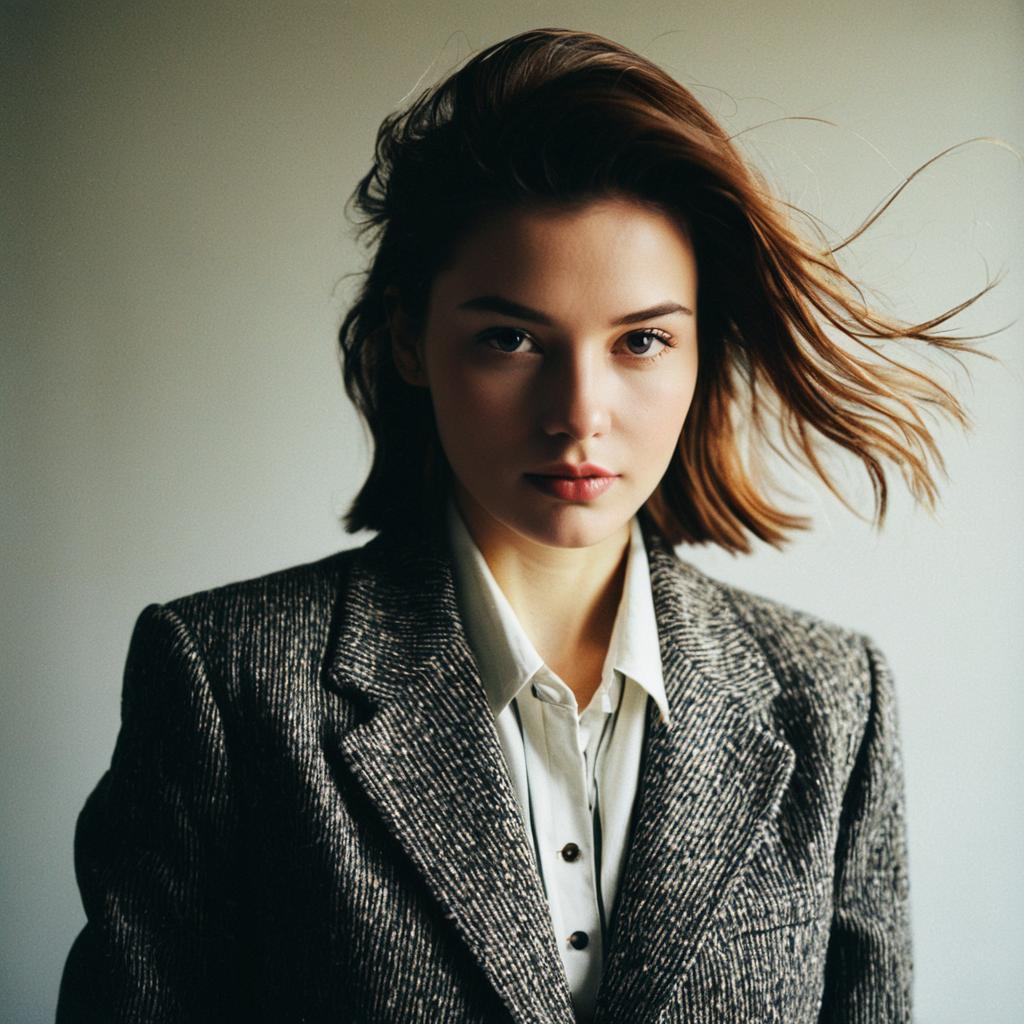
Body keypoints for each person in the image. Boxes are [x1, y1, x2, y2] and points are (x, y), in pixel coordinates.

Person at [57, 27, 989, 1024]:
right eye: (509, 338)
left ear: (698, 352)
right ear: (409, 336)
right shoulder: (227, 679)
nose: (579, 412)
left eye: (640, 340)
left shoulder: (833, 697)